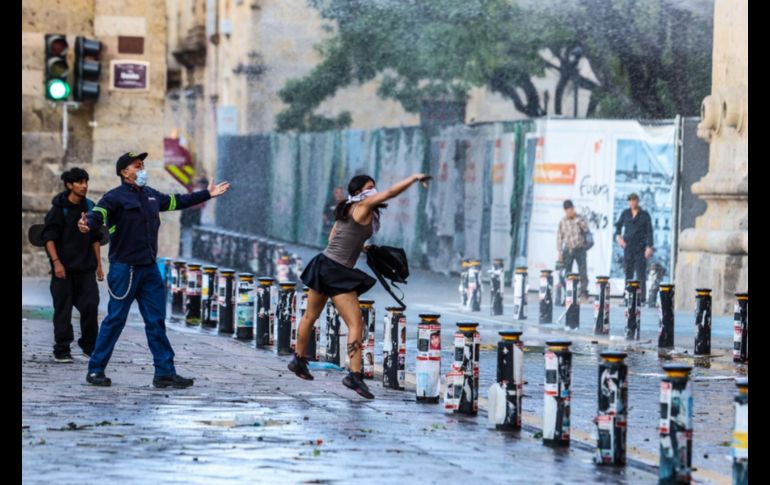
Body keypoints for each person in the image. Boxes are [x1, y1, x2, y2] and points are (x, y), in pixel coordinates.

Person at [78, 151, 230, 388]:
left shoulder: (151, 196)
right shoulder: (114, 197)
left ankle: (164, 372)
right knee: (115, 319)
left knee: (156, 320)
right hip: (125, 269)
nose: (142, 169)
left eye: (143, 165)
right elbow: (99, 214)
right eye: (137, 166)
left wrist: (207, 194)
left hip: (149, 269)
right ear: (124, 172)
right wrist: (87, 222)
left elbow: (176, 201)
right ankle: (96, 369)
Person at [288, 173, 431, 398]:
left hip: (324, 263)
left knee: (309, 317)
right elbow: (391, 192)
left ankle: (298, 359)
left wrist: (360, 248)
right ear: (359, 192)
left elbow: (333, 238)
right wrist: (413, 178)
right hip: (337, 272)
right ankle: (354, 375)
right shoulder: (363, 205)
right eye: (369, 187)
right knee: (356, 324)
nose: (374, 190)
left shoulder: (346, 208)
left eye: (374, 186)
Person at [41, 167, 104, 363]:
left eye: (86, 181)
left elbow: (96, 238)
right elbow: (49, 238)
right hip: (63, 271)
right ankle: (62, 349)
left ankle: (89, 346)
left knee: (91, 305)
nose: (84, 186)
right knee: (63, 310)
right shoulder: (59, 209)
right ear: (69, 185)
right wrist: (56, 263)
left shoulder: (89, 207)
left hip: (85, 269)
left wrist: (99, 265)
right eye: (79, 182)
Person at [615, 193, 654, 303]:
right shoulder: (625, 213)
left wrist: (649, 247)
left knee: (640, 272)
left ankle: (641, 297)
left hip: (641, 247)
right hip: (628, 246)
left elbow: (649, 231)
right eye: (630, 200)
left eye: (634, 200)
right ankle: (627, 294)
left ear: (638, 201)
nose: (632, 202)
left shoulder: (645, 214)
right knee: (628, 271)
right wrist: (619, 237)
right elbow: (618, 225)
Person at [557, 200, 590, 302]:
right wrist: (560, 252)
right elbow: (559, 237)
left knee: (583, 272)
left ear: (573, 209)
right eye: (567, 210)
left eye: (571, 209)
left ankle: (584, 293)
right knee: (566, 272)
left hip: (580, 248)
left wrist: (578, 220)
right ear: (565, 210)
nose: (569, 212)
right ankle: (568, 294)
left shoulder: (580, 218)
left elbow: (586, 229)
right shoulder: (562, 221)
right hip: (568, 250)